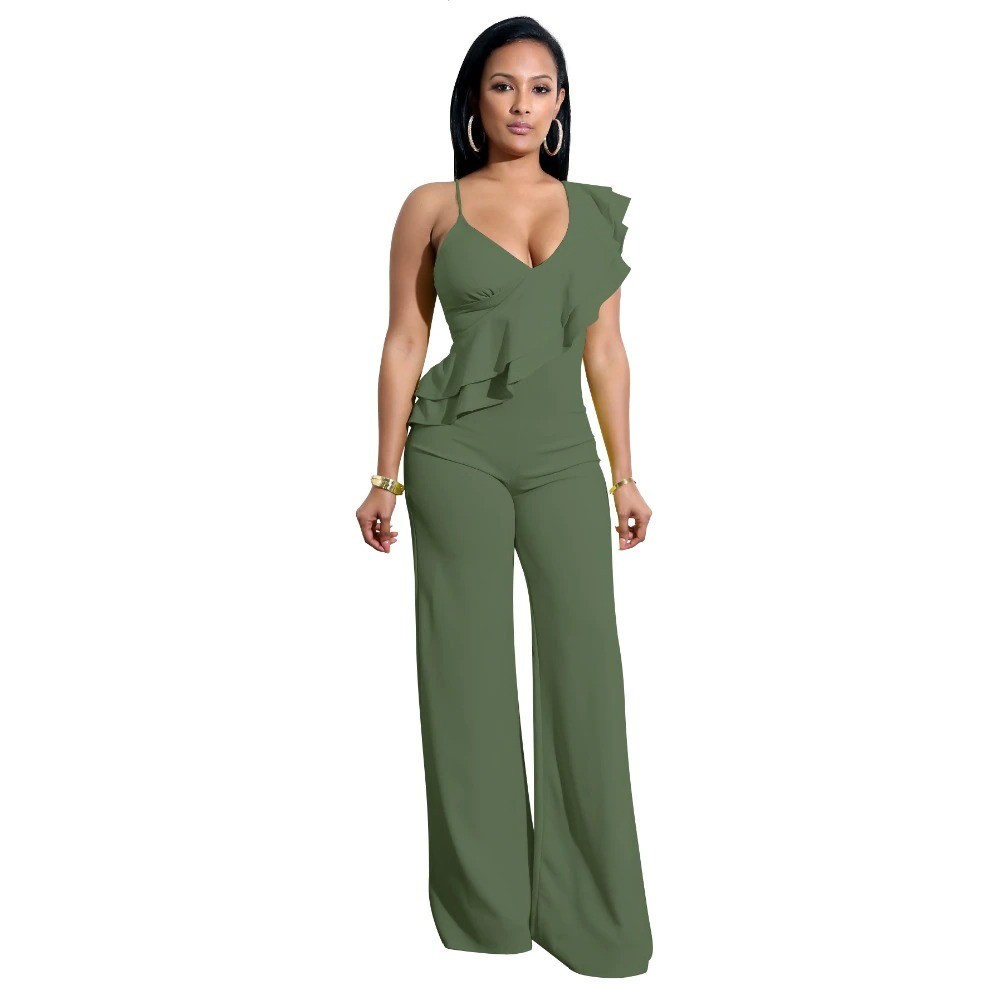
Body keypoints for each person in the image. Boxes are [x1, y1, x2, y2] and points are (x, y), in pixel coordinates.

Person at [355, 16, 654, 979]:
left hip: (564, 460)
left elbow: (606, 352)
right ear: (473, 101)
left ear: (561, 104)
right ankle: (486, 916)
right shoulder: (432, 205)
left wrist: (625, 472)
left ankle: (593, 920)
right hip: (455, 456)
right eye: (502, 85)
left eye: (540, 87)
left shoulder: (592, 213)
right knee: (467, 676)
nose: (522, 104)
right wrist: (384, 474)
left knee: (586, 674)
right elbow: (405, 340)